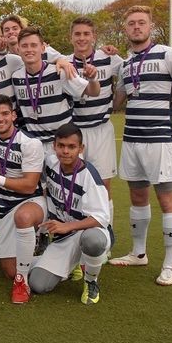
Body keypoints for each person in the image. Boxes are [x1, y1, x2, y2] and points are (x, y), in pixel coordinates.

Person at [108, 5, 172, 286]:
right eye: (131, 23)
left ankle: (170, 265)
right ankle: (138, 252)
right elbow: (116, 102)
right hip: (132, 138)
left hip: (159, 140)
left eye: (141, 23)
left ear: (150, 27)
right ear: (126, 29)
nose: (136, 27)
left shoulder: (169, 54)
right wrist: (103, 63)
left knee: (166, 199)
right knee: (137, 197)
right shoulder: (125, 64)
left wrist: (167, 113)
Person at [0, 94, 46, 304]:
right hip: (5, 211)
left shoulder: (30, 143)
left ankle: (23, 282)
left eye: (5, 114)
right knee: (9, 270)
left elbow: (30, 185)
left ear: (14, 115)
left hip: (30, 203)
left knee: (22, 217)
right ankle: (7, 244)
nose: (0, 119)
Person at [29, 123, 112, 304]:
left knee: (93, 241)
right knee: (38, 285)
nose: (65, 151)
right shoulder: (50, 163)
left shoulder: (89, 175)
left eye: (72, 147)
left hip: (87, 231)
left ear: (81, 148)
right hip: (63, 238)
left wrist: (67, 226)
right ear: (54, 146)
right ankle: (71, 265)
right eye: (61, 146)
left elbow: (101, 218)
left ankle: (91, 282)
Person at [67, 17, 123, 237]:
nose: (82, 38)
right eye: (77, 34)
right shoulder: (63, 61)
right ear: (70, 37)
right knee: (73, 184)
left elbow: (131, 71)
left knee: (103, 186)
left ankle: (105, 236)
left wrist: (117, 102)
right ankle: (74, 234)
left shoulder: (108, 58)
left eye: (86, 34)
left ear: (94, 36)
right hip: (74, 130)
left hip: (100, 129)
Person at [11, 27, 99, 154]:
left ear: (42, 48)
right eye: (24, 46)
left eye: (33, 45)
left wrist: (92, 79)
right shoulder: (16, 77)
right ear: (18, 49)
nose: (29, 49)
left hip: (62, 145)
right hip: (34, 145)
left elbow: (93, 92)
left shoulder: (59, 72)